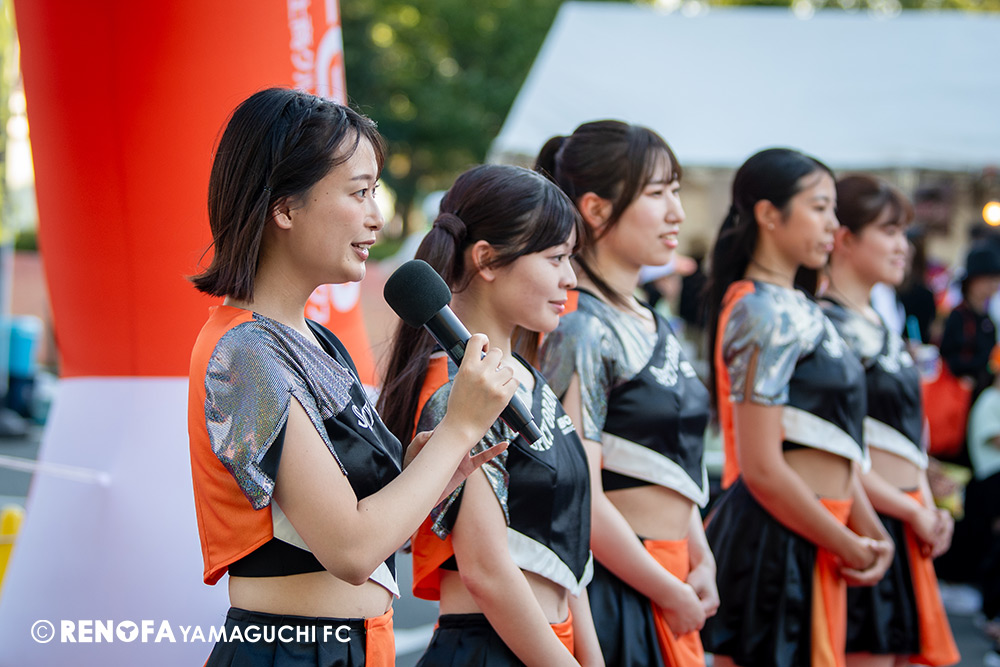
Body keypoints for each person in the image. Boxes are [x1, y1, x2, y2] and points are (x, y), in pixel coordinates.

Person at [187, 88, 517, 666]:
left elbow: (375, 531)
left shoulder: (317, 341)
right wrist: (459, 428)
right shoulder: (247, 351)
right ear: (284, 208)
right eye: (360, 192)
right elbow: (351, 549)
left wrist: (435, 468)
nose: (377, 217)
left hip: (351, 645)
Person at [377, 164, 602, 666]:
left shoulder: (521, 375)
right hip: (489, 649)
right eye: (556, 258)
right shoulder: (458, 389)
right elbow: (486, 572)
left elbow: (570, 556)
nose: (570, 277)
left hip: (549, 645)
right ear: (487, 259)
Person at [701, 148, 894, 667]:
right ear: (769, 214)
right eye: (820, 207)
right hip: (779, 541)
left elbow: (835, 442)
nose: (833, 224)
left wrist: (867, 528)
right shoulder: (759, 309)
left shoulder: (801, 306)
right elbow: (762, 467)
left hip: (814, 533)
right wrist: (847, 542)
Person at [535, 120, 717, 667]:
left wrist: (701, 558)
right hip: (617, 590)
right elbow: (579, 494)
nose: (676, 212)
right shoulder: (579, 328)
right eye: (657, 194)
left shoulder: (650, 320)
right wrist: (668, 588)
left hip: (671, 578)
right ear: (595, 208)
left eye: (676, 191)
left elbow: (673, 463)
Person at [820, 174, 959, 667]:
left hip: (906, 519)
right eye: (890, 231)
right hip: (868, 524)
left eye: (903, 232)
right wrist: (911, 510)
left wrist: (928, 504)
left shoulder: (878, 321)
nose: (904, 246)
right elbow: (834, 449)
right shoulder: (827, 327)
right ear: (845, 238)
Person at [939, 241, 1000, 403]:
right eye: (988, 279)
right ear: (972, 282)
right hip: (959, 398)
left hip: (983, 394)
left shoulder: (988, 318)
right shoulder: (958, 316)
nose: (993, 285)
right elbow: (948, 358)